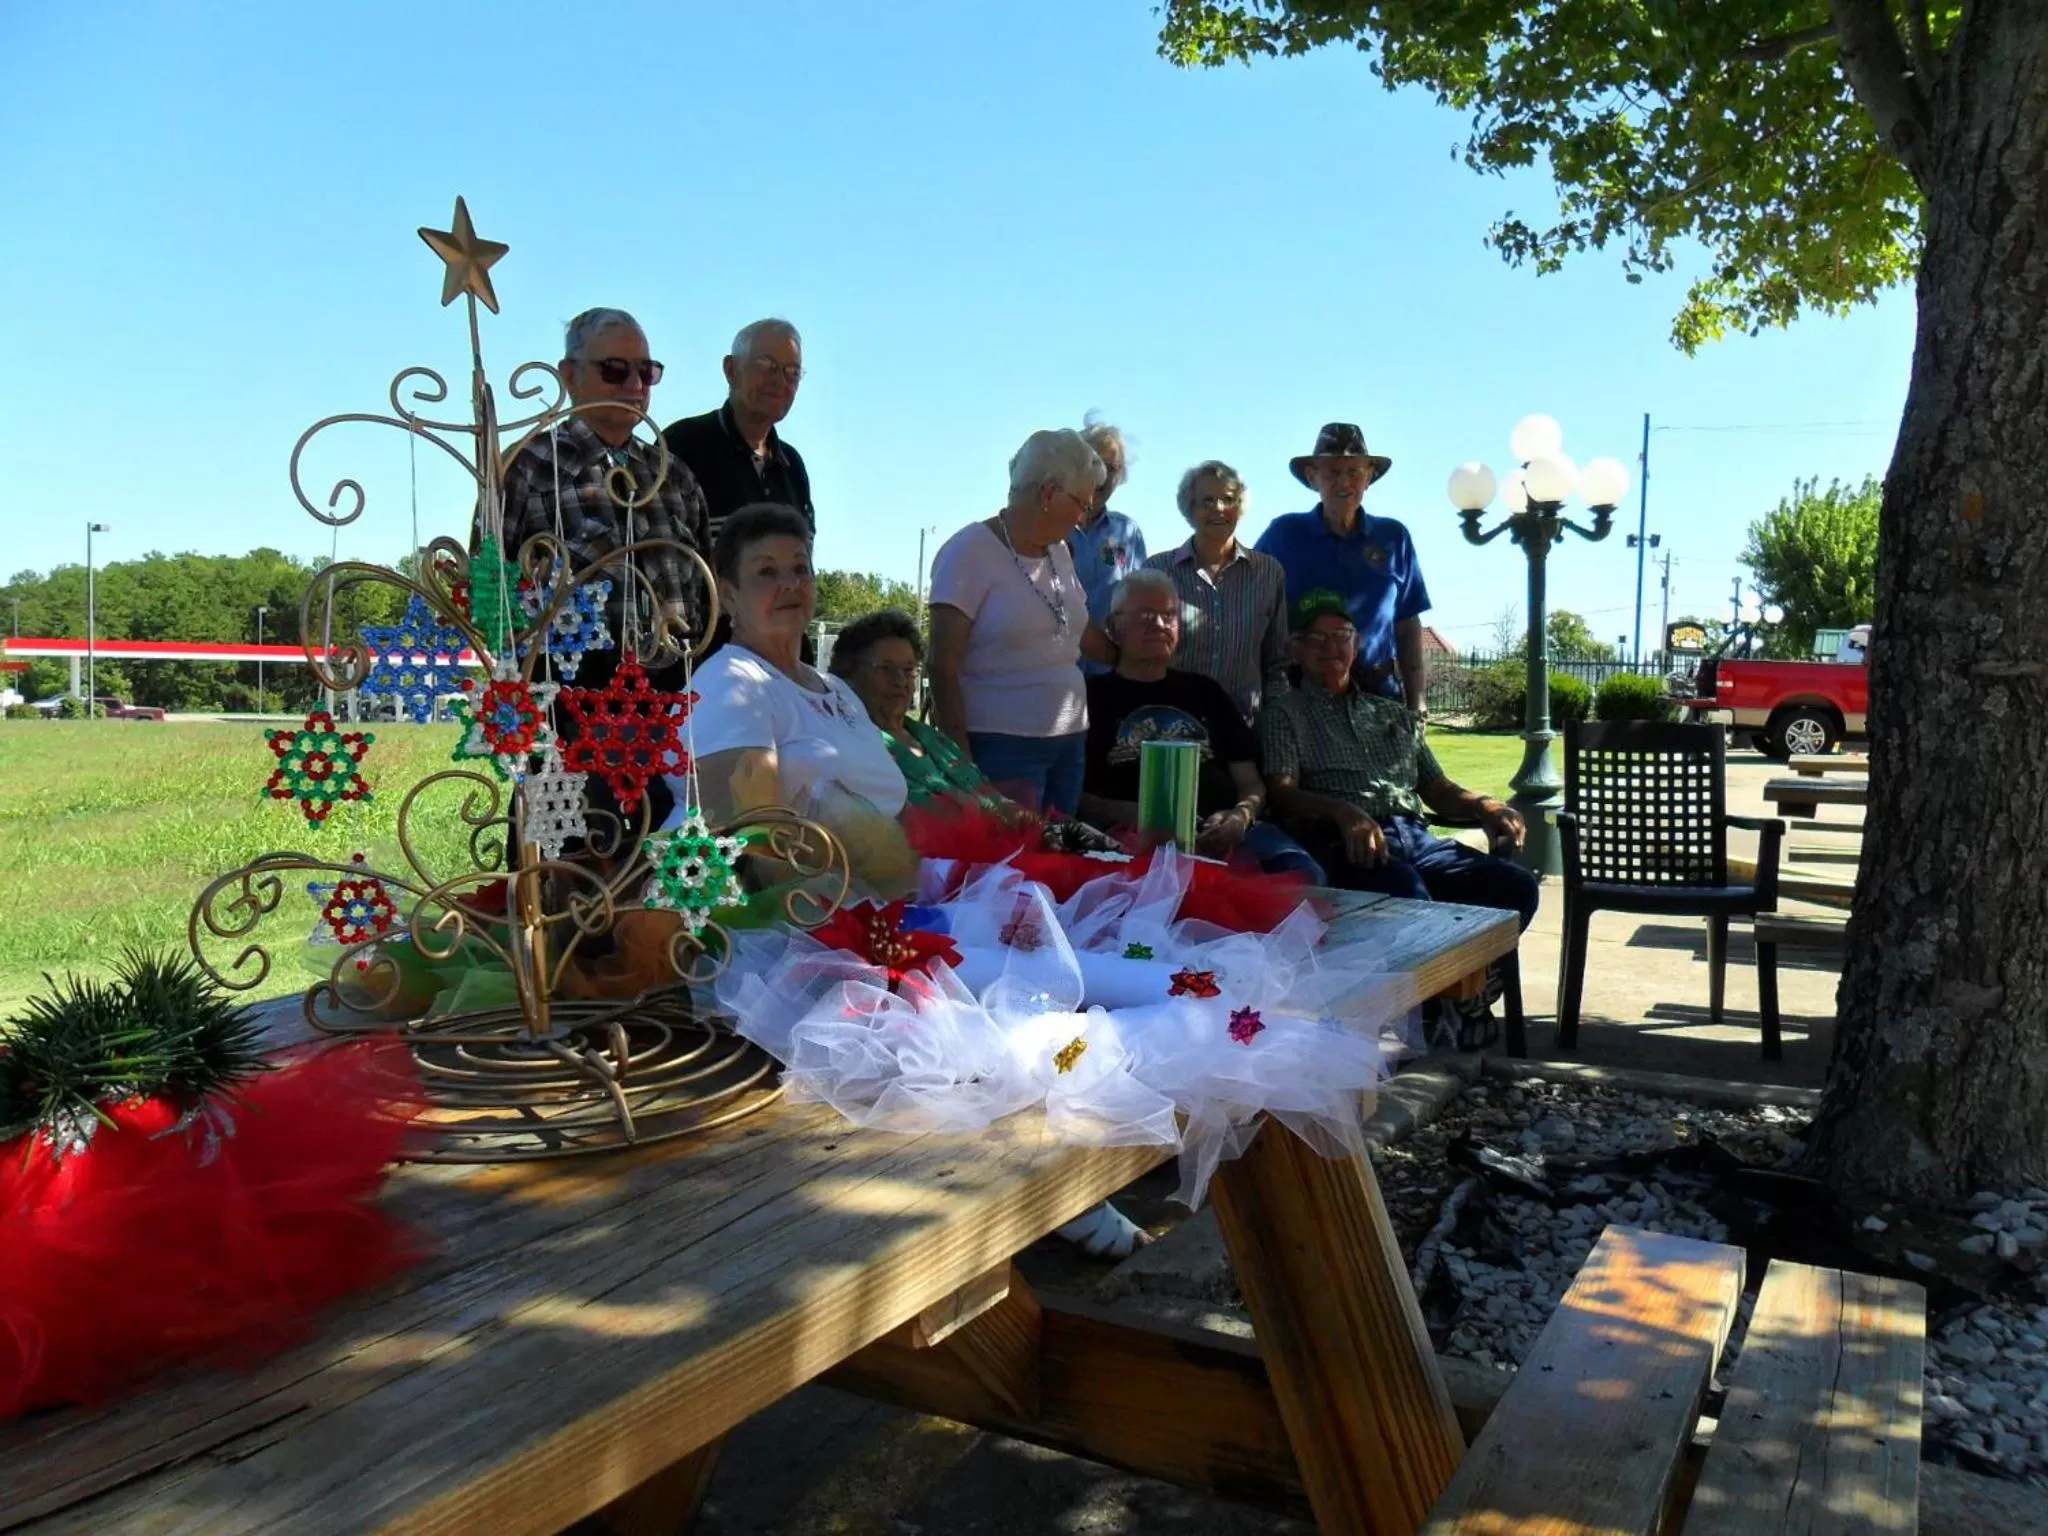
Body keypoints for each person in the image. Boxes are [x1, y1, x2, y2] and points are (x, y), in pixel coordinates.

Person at [497, 306, 710, 835]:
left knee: (666, 864)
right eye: (616, 369)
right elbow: (492, 593)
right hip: (566, 703)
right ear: (569, 376)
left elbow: (707, 587)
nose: (636, 384)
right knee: (565, 863)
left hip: (668, 701)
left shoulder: (673, 474)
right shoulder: (526, 467)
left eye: (647, 371)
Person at [1261, 591, 1537, 926]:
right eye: (1316, 638)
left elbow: (1437, 787)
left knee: (1516, 888)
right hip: (1350, 846)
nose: (1331, 647)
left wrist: (1486, 806)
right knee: (1409, 898)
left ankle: (1472, 977)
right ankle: (1441, 977)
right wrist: (1342, 812)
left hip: (1420, 841)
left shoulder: (1391, 714)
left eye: (1341, 636)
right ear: (1295, 649)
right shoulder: (1285, 713)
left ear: (1357, 644)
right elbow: (1282, 793)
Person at [679, 503, 916, 893]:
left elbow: (891, 806)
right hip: (801, 920)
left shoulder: (837, 690)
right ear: (728, 594)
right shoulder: (730, 684)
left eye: (800, 568)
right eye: (766, 572)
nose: (790, 584)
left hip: (893, 900)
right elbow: (748, 851)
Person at [1081, 571, 1323, 881]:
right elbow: (1077, 796)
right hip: (1130, 839)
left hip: (1224, 831)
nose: (1159, 624)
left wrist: (1241, 815)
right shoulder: (1091, 697)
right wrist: (1138, 817)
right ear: (1113, 627)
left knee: (1304, 874)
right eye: (1145, 615)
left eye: (1169, 615)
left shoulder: (1206, 692)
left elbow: (1250, 783)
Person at [926, 429, 1119, 816]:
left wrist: (1131, 657)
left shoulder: (1060, 552)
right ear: (1048, 493)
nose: (1084, 518)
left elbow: (1076, 630)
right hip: (1001, 748)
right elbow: (941, 666)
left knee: (1059, 860)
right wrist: (963, 764)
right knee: (1010, 867)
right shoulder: (969, 552)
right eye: (1080, 503)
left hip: (1069, 743)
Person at [829, 609, 1123, 853]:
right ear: (848, 676)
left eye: (908, 670)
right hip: (947, 872)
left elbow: (991, 797)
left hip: (1011, 847)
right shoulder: (856, 746)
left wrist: (1041, 828)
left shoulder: (930, 738)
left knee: (1109, 854)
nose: (900, 681)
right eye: (885, 668)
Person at [1254, 423, 1431, 714]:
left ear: (1369, 476)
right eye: (1332, 472)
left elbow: (1407, 623)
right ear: (1313, 478)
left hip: (1378, 696)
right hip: (1300, 696)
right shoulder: (1284, 534)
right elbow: (1254, 608)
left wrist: (1417, 701)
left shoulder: (1393, 537)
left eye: (1354, 471)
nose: (1343, 482)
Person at [1143, 460, 1289, 724]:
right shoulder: (1157, 571)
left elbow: (1276, 662)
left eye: (1228, 499)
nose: (1219, 509)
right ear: (1190, 508)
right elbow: (1138, 654)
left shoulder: (1268, 573)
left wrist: (1276, 725)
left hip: (1244, 725)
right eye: (1207, 501)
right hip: (1171, 723)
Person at [661, 319, 815, 550]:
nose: (780, 381)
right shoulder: (683, 445)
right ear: (731, 370)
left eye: (792, 372)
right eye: (766, 365)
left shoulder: (792, 466)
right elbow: (663, 560)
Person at [1068, 417, 1147, 669]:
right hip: (1051, 673)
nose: (1101, 475)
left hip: (1108, 672)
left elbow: (1138, 602)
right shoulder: (1049, 525)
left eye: (1111, 467)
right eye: (1094, 462)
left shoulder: (1127, 531)